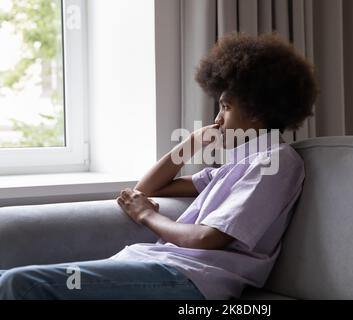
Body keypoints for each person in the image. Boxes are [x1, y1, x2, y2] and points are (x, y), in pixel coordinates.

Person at [0, 32, 318, 300]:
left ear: (257, 111)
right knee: (5, 279)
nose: (218, 119)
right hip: (160, 263)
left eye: (225, 106)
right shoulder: (234, 165)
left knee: (19, 284)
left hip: (193, 279)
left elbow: (207, 238)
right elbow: (147, 188)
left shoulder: (275, 162)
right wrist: (190, 143)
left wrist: (147, 215)